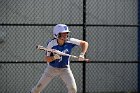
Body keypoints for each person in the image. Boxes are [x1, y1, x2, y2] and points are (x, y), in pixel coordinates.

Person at [31, 24, 88, 93]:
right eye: (62, 34)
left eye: (66, 33)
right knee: (37, 89)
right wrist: (54, 57)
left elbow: (84, 43)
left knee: (73, 89)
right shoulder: (51, 44)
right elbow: (46, 59)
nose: (65, 35)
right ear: (56, 35)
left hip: (65, 69)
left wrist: (82, 54)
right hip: (51, 69)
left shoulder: (70, 41)